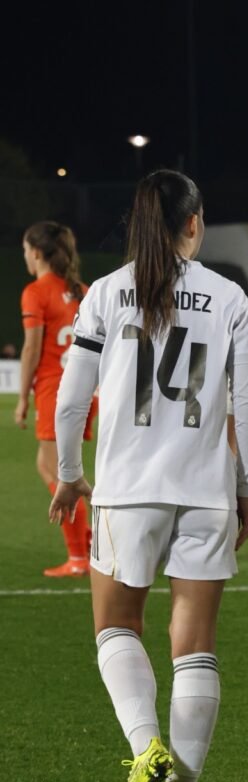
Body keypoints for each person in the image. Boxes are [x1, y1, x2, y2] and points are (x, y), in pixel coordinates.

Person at [49, 169, 248, 782]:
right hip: (204, 492)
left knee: (117, 628)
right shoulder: (228, 297)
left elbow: (70, 397)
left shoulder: (108, 294)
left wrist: (67, 471)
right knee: (194, 645)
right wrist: (247, 484)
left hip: (127, 490)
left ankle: (146, 748)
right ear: (193, 225)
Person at [15, 221, 97, 577]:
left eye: (24, 251)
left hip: (55, 391)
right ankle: (93, 538)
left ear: (36, 253)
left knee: (58, 471)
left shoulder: (36, 291)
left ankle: (80, 555)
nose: (24, 257)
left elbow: (32, 348)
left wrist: (22, 397)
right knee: (52, 466)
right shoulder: (83, 290)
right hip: (86, 390)